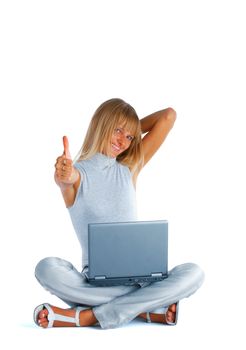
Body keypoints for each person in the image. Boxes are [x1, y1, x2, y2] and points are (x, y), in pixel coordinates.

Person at [34, 98, 204, 329]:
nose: (123, 141)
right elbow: (67, 179)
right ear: (100, 125)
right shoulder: (77, 175)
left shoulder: (129, 167)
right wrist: (63, 176)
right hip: (95, 283)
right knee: (46, 268)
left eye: (130, 136)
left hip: (140, 280)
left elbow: (168, 116)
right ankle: (143, 310)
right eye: (117, 131)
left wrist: (129, 129)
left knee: (194, 273)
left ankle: (87, 317)